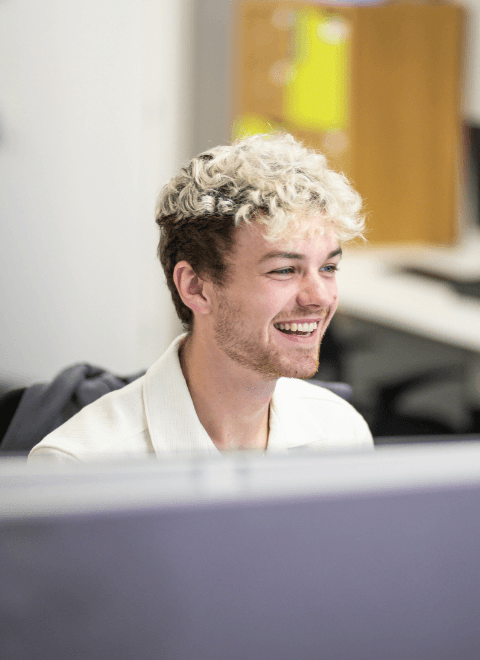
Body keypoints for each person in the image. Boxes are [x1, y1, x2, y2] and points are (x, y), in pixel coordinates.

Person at [28, 133, 373, 461]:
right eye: (284, 270)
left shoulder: (341, 434)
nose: (320, 298)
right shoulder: (81, 465)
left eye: (328, 268)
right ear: (195, 287)